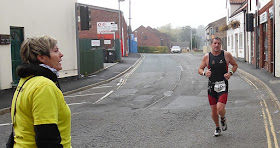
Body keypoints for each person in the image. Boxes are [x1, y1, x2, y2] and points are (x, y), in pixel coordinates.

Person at [10, 35, 71, 147]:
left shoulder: (26, 80)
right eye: (56, 51)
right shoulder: (44, 86)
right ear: (42, 58)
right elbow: (47, 138)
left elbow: (18, 128)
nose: (61, 55)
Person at [198, 37, 238, 137]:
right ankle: (217, 127)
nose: (216, 45)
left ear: (221, 45)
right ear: (211, 45)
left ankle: (223, 118)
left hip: (223, 85)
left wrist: (230, 73)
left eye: (218, 43)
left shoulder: (226, 55)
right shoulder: (207, 57)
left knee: (219, 109)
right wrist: (204, 73)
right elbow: (200, 69)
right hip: (212, 86)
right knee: (213, 110)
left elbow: (235, 65)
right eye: (215, 43)